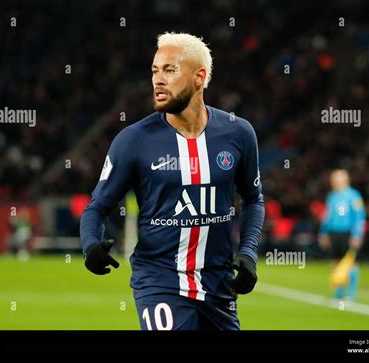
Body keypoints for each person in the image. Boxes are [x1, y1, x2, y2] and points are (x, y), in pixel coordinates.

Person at [80, 32, 265, 330]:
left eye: (170, 70)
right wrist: (91, 245)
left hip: (218, 287)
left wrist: (248, 253)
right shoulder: (133, 141)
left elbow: (253, 199)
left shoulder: (238, 134)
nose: (158, 80)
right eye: (155, 70)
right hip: (159, 282)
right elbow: (97, 208)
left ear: (198, 77)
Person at [318, 169, 366, 300]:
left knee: (350, 262)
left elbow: (359, 216)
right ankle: (338, 292)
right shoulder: (332, 196)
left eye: (337, 178)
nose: (334, 181)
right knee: (336, 262)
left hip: (347, 233)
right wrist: (323, 232)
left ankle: (351, 293)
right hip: (334, 233)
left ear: (345, 179)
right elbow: (327, 217)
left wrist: (357, 234)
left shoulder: (354, 196)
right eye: (333, 178)